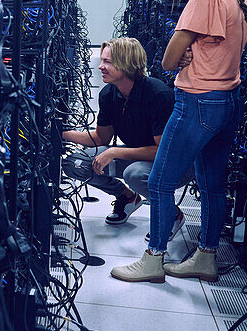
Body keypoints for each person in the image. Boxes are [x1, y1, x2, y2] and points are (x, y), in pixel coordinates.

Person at [111, 0, 247, 284]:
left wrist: (185, 54)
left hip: (198, 102)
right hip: (228, 100)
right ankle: (205, 257)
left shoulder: (203, 0)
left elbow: (168, 60)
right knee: (213, 185)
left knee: (159, 182)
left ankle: (153, 260)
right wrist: (195, 51)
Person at [61, 37, 189, 241]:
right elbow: (102, 137)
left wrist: (114, 152)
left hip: (174, 162)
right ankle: (127, 197)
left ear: (127, 64)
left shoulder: (157, 95)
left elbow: (163, 150)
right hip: (138, 155)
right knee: (75, 163)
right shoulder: (109, 94)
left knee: (135, 174)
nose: (100, 67)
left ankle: (171, 214)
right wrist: (60, 133)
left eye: (107, 62)